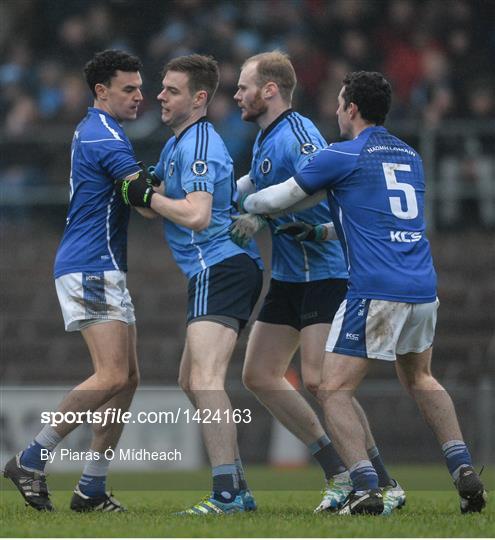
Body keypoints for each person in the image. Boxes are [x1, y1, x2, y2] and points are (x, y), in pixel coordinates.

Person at [238, 70, 487, 515]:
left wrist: (243, 202)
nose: (335, 110)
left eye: (338, 103)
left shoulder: (341, 155)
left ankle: (368, 487)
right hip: (422, 286)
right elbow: (378, 222)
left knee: (332, 389)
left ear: (351, 108)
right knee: (421, 379)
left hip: (375, 288)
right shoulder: (409, 155)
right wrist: (321, 232)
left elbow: (275, 199)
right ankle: (463, 469)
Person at [230, 51, 404, 515]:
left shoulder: (300, 133)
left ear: (270, 90)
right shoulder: (267, 139)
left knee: (322, 382)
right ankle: (338, 471)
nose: (237, 94)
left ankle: (381, 482)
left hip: (326, 270)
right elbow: (249, 186)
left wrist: (260, 215)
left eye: (244, 85)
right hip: (289, 276)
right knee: (258, 375)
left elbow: (320, 188)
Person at [119, 54, 263, 515]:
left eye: (172, 90)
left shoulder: (200, 145)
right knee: (190, 379)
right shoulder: (176, 144)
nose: (159, 96)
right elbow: (150, 204)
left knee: (204, 379)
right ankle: (236, 487)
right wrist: (136, 189)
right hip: (217, 269)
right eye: (161, 88)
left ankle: (227, 494)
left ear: (199, 98)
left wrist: (151, 197)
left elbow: (197, 216)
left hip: (220, 266)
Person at [3, 50, 145, 512]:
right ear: (101, 91)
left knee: (127, 380)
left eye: (140, 87)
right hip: (90, 264)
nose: (139, 95)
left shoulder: (103, 130)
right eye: (129, 88)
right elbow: (144, 199)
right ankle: (31, 457)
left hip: (102, 264)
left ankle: (91, 489)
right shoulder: (103, 134)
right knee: (112, 374)